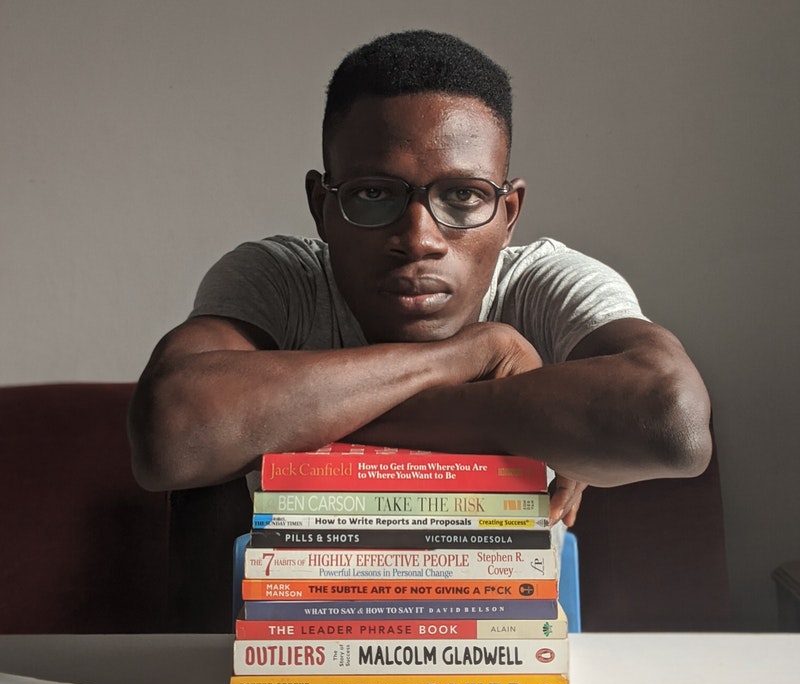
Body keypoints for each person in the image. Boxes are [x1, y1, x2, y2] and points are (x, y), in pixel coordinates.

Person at [128, 30, 712, 528]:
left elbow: (672, 421)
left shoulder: (543, 283)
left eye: (462, 195)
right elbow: (172, 433)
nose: (418, 237)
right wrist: (473, 356)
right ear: (320, 207)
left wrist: (294, 427)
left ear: (509, 214)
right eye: (374, 193)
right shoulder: (282, 278)